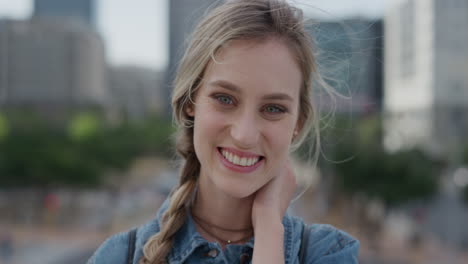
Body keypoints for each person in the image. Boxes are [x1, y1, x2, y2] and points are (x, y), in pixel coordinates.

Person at [88, 0, 359, 263]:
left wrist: (269, 228)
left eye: (273, 108)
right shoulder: (119, 256)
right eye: (225, 99)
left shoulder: (327, 254)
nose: (244, 135)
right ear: (191, 101)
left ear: (298, 123)